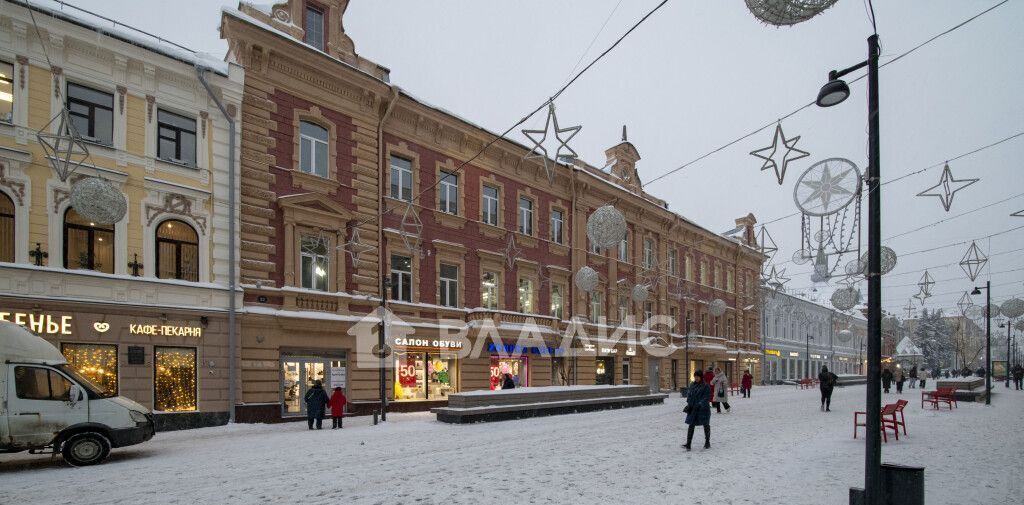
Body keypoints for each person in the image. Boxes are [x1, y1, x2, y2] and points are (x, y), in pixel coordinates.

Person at [683, 370, 712, 451]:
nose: (696, 378)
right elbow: (689, 394)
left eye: (697, 377)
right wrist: (689, 402)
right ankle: (688, 444)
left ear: (701, 377)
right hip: (693, 408)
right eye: (695, 376)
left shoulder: (705, 386)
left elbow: (706, 397)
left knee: (706, 425)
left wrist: (700, 404)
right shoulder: (692, 385)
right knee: (691, 425)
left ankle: (707, 442)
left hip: (703, 410)